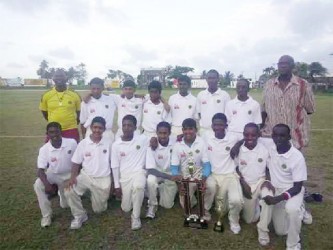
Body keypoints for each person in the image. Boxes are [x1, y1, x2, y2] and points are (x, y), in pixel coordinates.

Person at [263, 124, 308, 250]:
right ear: (272, 136)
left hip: (292, 190)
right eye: (275, 135)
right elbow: (251, 136)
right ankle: (301, 209)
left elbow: (298, 187)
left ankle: (293, 244)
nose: (278, 139)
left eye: (282, 135)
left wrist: (278, 199)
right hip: (277, 189)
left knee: (292, 210)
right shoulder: (270, 147)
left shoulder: (297, 157)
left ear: (289, 136)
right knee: (281, 231)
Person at [65, 117, 112, 229]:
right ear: (90, 128)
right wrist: (72, 177)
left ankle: (90, 193)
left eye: (100, 128)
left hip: (103, 178)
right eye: (95, 127)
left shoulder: (109, 143)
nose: (97, 130)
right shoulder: (83, 143)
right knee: (69, 190)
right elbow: (76, 162)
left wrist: (113, 185)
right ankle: (79, 215)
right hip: (86, 176)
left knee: (99, 210)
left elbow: (113, 165)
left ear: (104, 129)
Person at [261, 55, 315, 152]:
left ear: (292, 66)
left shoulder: (303, 85)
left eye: (286, 63)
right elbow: (264, 110)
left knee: (294, 166)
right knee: (272, 166)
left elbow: (309, 110)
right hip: (271, 137)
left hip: (295, 138)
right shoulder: (269, 84)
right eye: (280, 64)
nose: (283, 66)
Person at [203, 113, 243, 234]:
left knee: (236, 201)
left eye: (221, 125)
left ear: (226, 125)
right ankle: (205, 211)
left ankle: (234, 220)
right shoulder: (206, 136)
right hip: (213, 174)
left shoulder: (233, 137)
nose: (218, 127)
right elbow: (192, 136)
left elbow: (250, 136)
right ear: (212, 126)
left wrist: (238, 144)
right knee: (209, 188)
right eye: (216, 125)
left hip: (230, 175)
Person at [235, 123, 274, 246]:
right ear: (243, 135)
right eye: (247, 135)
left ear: (259, 135)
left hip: (261, 181)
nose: (250, 137)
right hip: (246, 183)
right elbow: (235, 168)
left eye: (253, 134)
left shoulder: (264, 149)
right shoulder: (238, 150)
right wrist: (242, 182)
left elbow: (269, 168)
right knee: (248, 220)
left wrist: (267, 181)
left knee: (269, 196)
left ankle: (263, 230)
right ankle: (257, 206)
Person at [33, 122, 77, 227]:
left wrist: (74, 177)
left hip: (68, 175)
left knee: (65, 205)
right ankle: (46, 215)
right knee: (38, 184)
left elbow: (78, 162)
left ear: (61, 131)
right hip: (54, 174)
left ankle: (62, 194)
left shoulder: (72, 143)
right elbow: (40, 170)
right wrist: (47, 185)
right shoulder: (44, 149)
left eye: (57, 131)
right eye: (51, 132)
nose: (55, 134)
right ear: (47, 134)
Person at [111, 115, 148, 230]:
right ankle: (137, 196)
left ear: (135, 127)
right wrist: (117, 186)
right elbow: (115, 166)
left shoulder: (143, 139)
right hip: (125, 177)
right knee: (126, 208)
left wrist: (154, 141)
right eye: (124, 125)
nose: (126, 128)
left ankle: (135, 217)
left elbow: (157, 138)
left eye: (130, 125)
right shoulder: (116, 145)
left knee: (138, 187)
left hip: (139, 173)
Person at [171, 118, 211, 208]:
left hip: (200, 174)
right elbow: (174, 167)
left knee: (210, 187)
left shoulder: (202, 142)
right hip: (185, 176)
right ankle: (192, 200)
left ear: (196, 130)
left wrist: (203, 180)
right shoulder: (177, 145)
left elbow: (207, 165)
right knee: (185, 205)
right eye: (185, 129)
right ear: (182, 130)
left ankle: (205, 209)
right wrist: (179, 185)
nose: (188, 132)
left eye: (190, 129)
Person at [145, 121, 177, 219]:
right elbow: (150, 170)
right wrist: (168, 177)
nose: (162, 136)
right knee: (150, 180)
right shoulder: (152, 145)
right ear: (157, 133)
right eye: (160, 133)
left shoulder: (175, 141)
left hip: (171, 174)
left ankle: (160, 189)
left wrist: (172, 176)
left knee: (167, 205)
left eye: (165, 133)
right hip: (158, 173)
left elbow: (185, 136)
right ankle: (152, 206)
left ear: (169, 133)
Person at [39, 69, 81, 142]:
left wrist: (73, 122)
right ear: (53, 79)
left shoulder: (75, 95)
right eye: (57, 76)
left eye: (61, 76)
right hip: (53, 130)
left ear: (66, 78)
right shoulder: (46, 95)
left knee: (73, 152)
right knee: (52, 152)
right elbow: (44, 112)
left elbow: (79, 112)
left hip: (71, 129)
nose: (59, 78)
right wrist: (52, 121)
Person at [80, 77, 116, 142]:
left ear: (103, 88)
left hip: (107, 133)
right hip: (91, 133)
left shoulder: (111, 99)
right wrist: (84, 139)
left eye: (98, 88)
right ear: (90, 88)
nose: (95, 91)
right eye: (93, 88)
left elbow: (127, 96)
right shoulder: (85, 102)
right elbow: (82, 122)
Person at [196, 69, 230, 137]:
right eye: (209, 78)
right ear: (206, 79)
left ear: (218, 79)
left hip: (219, 131)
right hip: (204, 131)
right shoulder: (201, 94)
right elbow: (199, 113)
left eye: (214, 78)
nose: (211, 81)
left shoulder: (225, 95)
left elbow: (228, 114)